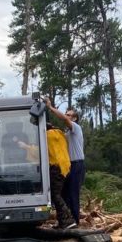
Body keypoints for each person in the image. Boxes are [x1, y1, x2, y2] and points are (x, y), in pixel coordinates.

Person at [14, 126, 75, 228]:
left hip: (56, 168)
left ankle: (68, 221)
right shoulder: (59, 133)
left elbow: (40, 151)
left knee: (55, 195)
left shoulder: (48, 136)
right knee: (57, 194)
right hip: (64, 166)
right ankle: (63, 221)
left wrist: (26, 147)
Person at [44, 96, 85, 225]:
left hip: (77, 164)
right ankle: (67, 221)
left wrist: (50, 107)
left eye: (70, 115)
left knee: (73, 194)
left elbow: (64, 119)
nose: (67, 116)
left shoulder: (76, 129)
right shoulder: (66, 133)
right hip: (67, 166)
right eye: (67, 114)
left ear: (75, 118)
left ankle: (75, 222)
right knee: (64, 193)